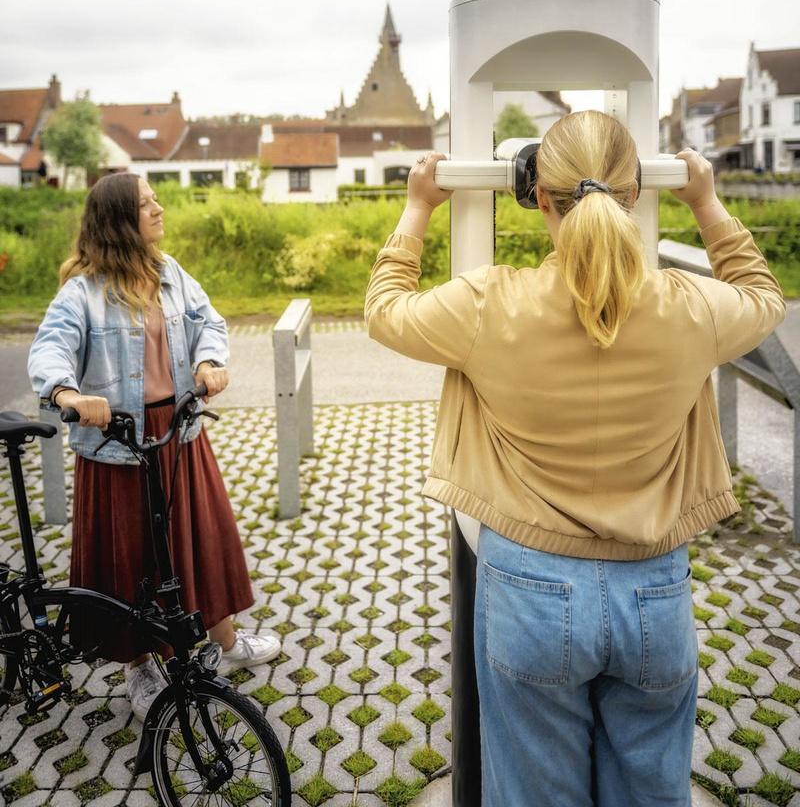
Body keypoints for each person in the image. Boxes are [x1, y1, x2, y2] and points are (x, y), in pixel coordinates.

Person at [364, 111, 785, 807]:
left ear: (539, 197)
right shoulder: (690, 308)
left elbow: (384, 310)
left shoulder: (488, 302)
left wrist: (417, 209)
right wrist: (707, 201)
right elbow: (764, 298)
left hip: (529, 593)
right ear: (636, 194)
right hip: (655, 591)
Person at [28, 173, 280, 721]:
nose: (159, 209)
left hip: (179, 434)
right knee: (132, 558)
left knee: (202, 540)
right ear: (121, 221)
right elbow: (49, 351)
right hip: (119, 445)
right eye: (147, 204)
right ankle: (139, 667)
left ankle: (226, 640)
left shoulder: (170, 273)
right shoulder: (83, 294)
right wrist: (70, 392)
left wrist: (209, 362)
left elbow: (208, 321)